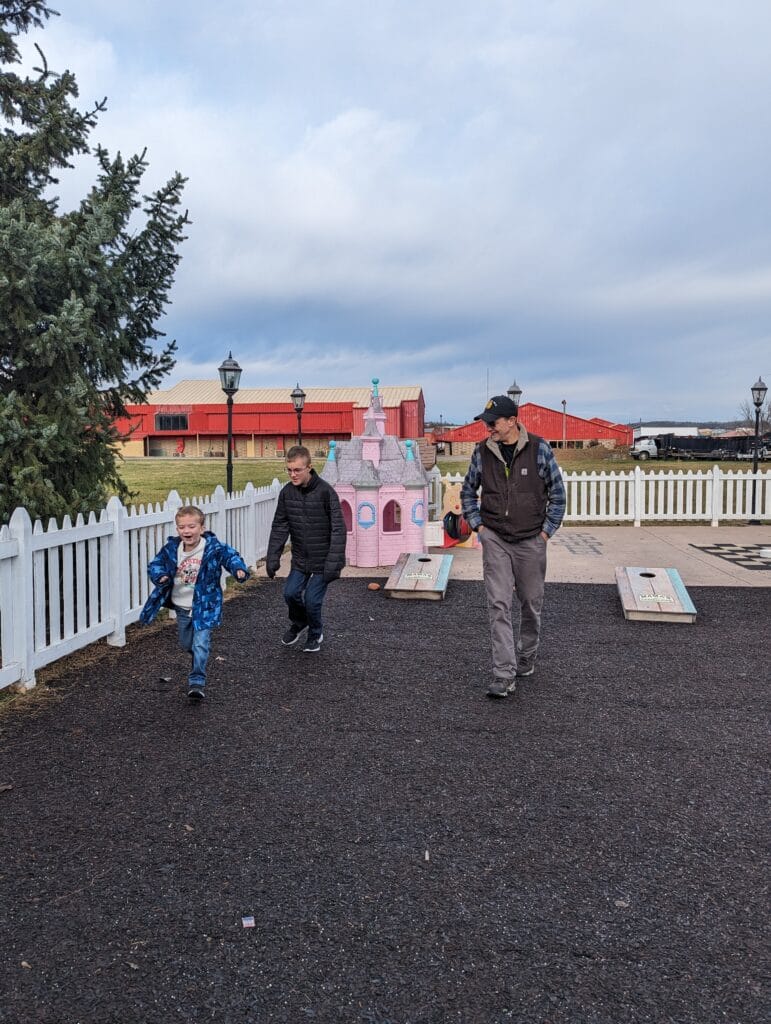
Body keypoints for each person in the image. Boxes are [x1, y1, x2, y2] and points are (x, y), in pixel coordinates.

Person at [461, 395, 566, 699]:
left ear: (511, 421)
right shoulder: (482, 452)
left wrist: (545, 534)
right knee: (498, 604)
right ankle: (503, 674)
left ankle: (527, 655)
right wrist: (480, 528)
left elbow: (558, 496)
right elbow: (468, 491)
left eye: (493, 422)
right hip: (495, 538)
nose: (488, 428)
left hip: (531, 540)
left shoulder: (539, 449)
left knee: (531, 603)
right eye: (486, 423)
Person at [140, 505, 249, 700]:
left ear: (202, 528)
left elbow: (230, 556)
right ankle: (199, 655)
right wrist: (161, 576)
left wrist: (238, 569)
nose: (187, 531)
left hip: (205, 605)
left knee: (200, 644)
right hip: (182, 606)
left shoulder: (213, 548)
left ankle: (197, 681)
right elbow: (155, 564)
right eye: (182, 527)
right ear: (177, 529)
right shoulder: (171, 549)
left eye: (191, 526)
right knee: (186, 643)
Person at [266, 445, 346, 653]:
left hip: (323, 560)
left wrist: (334, 563)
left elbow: (338, 528)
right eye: (289, 470)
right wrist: (273, 557)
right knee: (290, 593)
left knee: (312, 600)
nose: (293, 474)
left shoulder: (326, 492)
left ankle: (315, 633)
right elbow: (280, 526)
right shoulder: (287, 493)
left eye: (297, 470)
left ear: (309, 467)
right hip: (301, 558)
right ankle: (300, 622)